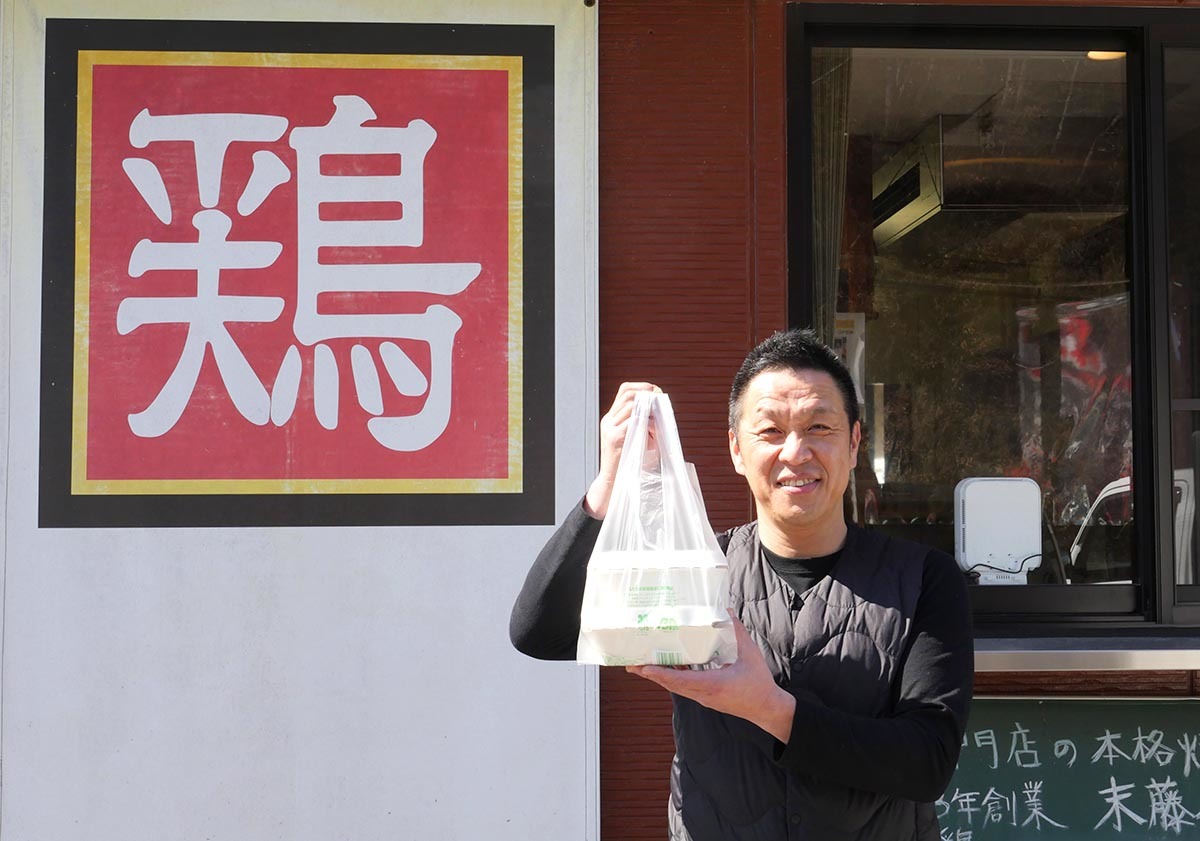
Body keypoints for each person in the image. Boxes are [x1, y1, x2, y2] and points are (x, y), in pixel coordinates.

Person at [510, 328, 974, 841]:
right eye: (770, 431)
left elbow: (927, 762)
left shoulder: (924, 579)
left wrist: (769, 709)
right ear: (735, 449)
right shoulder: (690, 571)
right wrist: (608, 484)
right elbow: (541, 633)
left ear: (855, 442)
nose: (796, 452)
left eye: (819, 426)